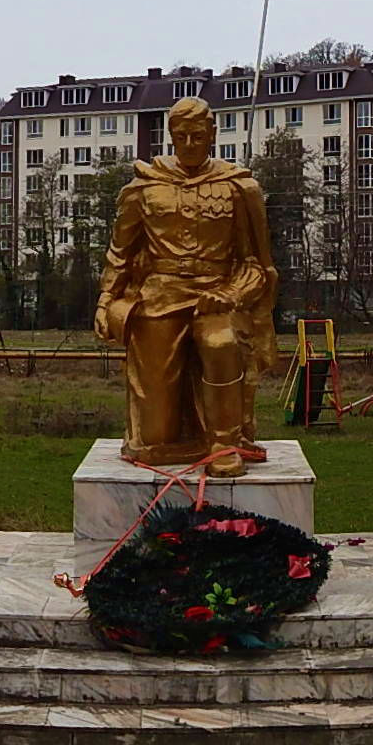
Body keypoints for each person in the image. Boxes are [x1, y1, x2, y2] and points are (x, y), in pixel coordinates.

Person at [94, 96, 278, 477]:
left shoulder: (237, 187)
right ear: (170, 137)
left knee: (220, 342)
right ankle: (165, 438)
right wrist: (105, 301)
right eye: (182, 137)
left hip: (217, 296)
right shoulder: (144, 187)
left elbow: (256, 265)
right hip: (159, 299)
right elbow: (120, 252)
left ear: (212, 133)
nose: (190, 144)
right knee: (156, 436)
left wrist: (231, 294)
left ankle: (224, 442)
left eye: (198, 135)